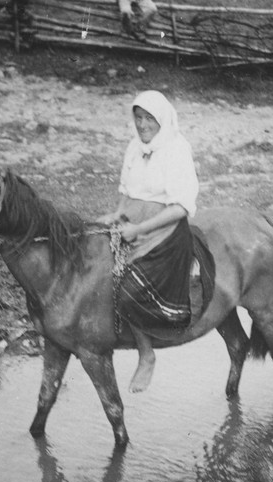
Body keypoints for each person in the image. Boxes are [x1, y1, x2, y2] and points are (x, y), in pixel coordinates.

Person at [97, 90, 199, 393]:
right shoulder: (134, 146)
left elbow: (181, 207)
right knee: (94, 273)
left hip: (163, 230)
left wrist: (140, 229)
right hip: (131, 222)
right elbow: (125, 188)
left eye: (149, 118)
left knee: (127, 291)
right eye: (138, 117)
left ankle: (146, 354)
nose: (142, 125)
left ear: (163, 120)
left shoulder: (177, 149)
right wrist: (116, 213)